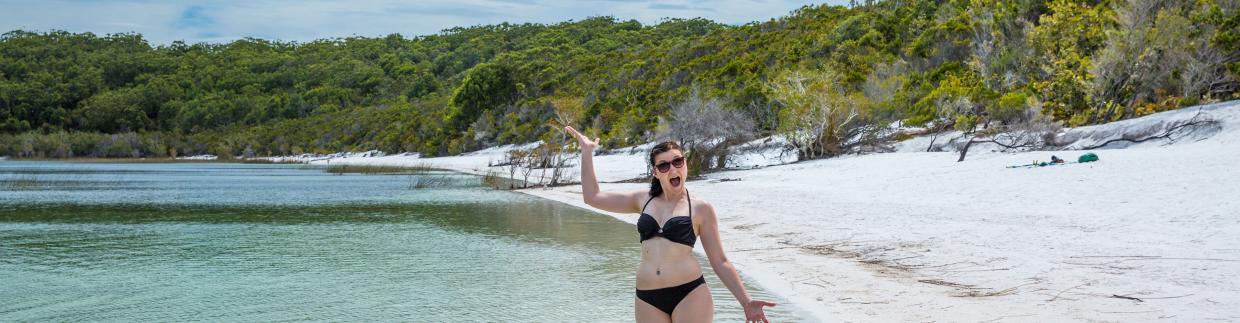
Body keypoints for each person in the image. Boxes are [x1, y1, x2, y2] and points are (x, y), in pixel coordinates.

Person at [564, 126, 777, 323]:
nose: (672, 169)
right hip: (647, 298)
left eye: (677, 162)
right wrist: (587, 152)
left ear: (685, 164)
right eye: (664, 165)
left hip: (690, 294)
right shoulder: (642, 199)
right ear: (655, 173)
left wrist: (746, 301)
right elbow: (592, 197)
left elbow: (720, 261)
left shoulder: (701, 208)